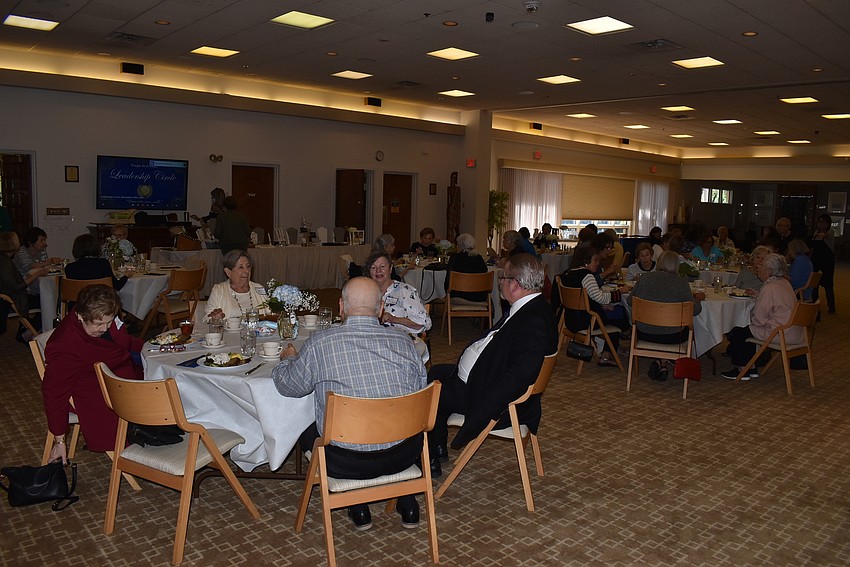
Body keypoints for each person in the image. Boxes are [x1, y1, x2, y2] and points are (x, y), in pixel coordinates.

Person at [272, 277, 427, 531]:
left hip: (345, 463)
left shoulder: (320, 343)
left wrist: (287, 360)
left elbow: (289, 387)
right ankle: (406, 499)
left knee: (304, 424)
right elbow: (420, 393)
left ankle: (358, 505)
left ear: (341, 307)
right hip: (404, 454)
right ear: (380, 309)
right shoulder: (405, 344)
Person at [427, 253, 557, 475]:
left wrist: (483, 411)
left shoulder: (533, 321)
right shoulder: (533, 307)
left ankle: (431, 458)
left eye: (502, 278)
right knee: (437, 371)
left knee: (429, 392)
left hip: (489, 396)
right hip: (485, 376)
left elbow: (518, 377)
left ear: (515, 284)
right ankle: (438, 447)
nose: (500, 283)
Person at [43, 284, 145, 462]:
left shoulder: (103, 316)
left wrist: (152, 347)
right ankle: (142, 450)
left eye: (109, 322)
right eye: (99, 324)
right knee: (155, 397)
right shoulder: (64, 345)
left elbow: (123, 342)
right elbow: (53, 392)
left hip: (123, 373)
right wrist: (59, 439)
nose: (105, 328)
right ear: (80, 316)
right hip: (95, 390)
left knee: (165, 383)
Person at [722, 254, 802, 380]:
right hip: (795, 331)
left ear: (768, 271)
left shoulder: (769, 287)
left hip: (779, 333)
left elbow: (759, 320)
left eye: (762, 265)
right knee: (747, 330)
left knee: (739, 332)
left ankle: (743, 369)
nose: (758, 267)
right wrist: (758, 295)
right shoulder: (784, 283)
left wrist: (748, 317)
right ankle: (752, 367)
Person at [627, 251, 702, 381]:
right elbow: (695, 311)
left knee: (661, 326)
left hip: (644, 333)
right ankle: (662, 362)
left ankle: (661, 362)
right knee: (686, 328)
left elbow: (630, 301)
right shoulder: (681, 282)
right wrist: (698, 300)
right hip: (673, 337)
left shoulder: (645, 278)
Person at [560, 245, 628, 367]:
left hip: (571, 318)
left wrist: (601, 306)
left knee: (612, 313)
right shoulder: (587, 276)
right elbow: (600, 297)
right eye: (595, 260)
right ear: (586, 262)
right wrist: (619, 292)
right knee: (621, 315)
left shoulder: (567, 274)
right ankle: (607, 353)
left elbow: (584, 298)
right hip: (587, 320)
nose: (598, 264)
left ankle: (608, 349)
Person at [364, 251, 430, 335]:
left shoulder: (405, 291)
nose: (378, 271)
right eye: (373, 267)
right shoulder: (364, 292)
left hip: (400, 339)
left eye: (382, 266)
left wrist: (395, 319)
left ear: (390, 268)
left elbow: (424, 322)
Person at [0, 231, 45, 340]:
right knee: (45, 302)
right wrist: (37, 274)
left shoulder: (5, 259)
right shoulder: (5, 263)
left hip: (9, 298)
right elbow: (17, 287)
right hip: (12, 300)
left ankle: (26, 330)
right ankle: (28, 333)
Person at [205, 249, 270, 321]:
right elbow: (208, 317)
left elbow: (270, 312)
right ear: (228, 272)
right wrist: (215, 318)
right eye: (241, 267)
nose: (246, 271)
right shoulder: (218, 290)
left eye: (248, 266)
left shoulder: (258, 288)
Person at [14, 226, 62, 294]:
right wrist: (50, 261)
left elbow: (45, 266)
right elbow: (29, 267)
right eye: (41, 241)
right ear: (30, 242)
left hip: (37, 282)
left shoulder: (42, 250)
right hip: (25, 288)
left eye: (45, 240)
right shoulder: (21, 253)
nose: (45, 244)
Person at [444, 233, 488, 302]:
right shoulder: (480, 258)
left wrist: (446, 290)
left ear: (461, 246)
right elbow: (485, 273)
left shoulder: (455, 258)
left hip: (459, 295)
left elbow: (448, 279)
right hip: (479, 296)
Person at [809, 213, 835, 313]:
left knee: (828, 284)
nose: (821, 224)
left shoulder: (830, 232)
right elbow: (813, 247)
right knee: (814, 283)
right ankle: (814, 304)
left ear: (828, 223)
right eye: (820, 222)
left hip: (827, 261)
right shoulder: (816, 232)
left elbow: (826, 235)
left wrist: (822, 234)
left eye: (824, 222)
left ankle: (831, 307)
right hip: (815, 260)